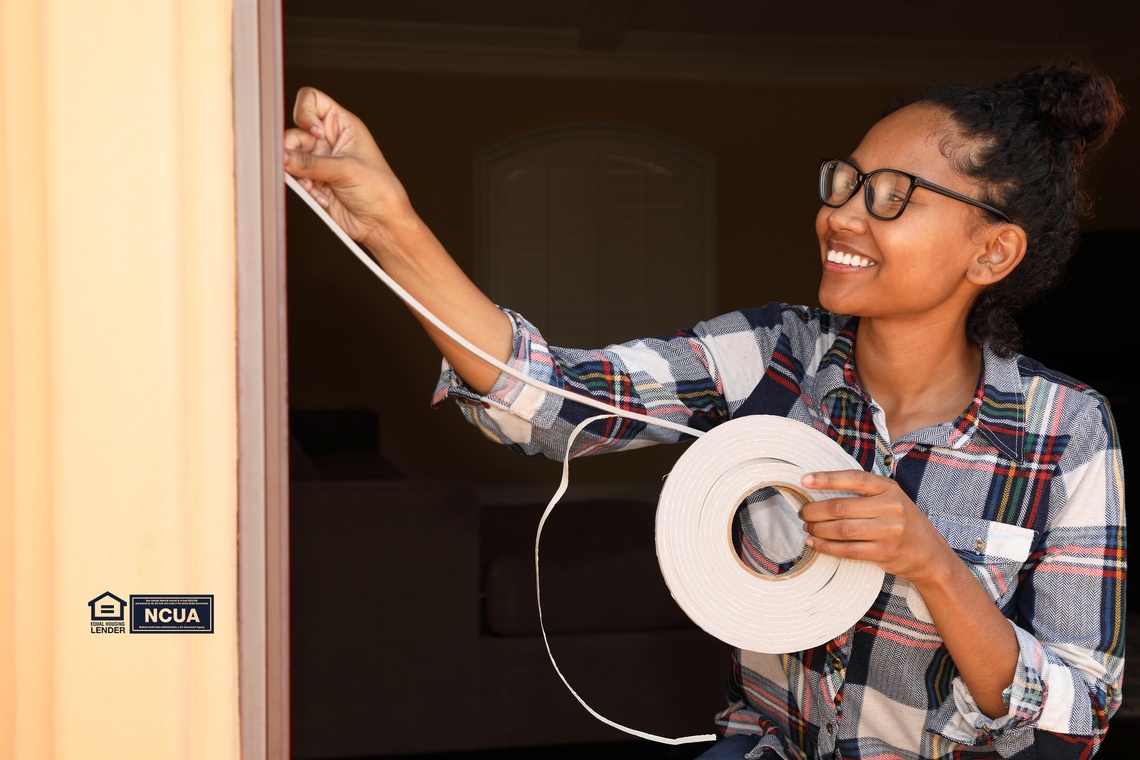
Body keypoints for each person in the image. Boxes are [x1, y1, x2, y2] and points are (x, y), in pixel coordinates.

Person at [283, 61, 1126, 759]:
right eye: (846, 182)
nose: (839, 214)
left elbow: (1079, 717)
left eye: (892, 195)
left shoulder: (1067, 431)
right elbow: (545, 400)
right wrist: (385, 220)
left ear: (993, 250)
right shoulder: (773, 355)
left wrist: (934, 565)